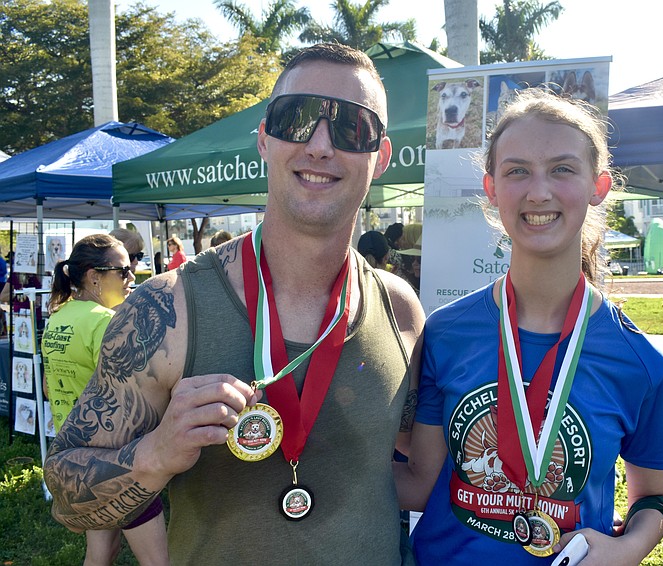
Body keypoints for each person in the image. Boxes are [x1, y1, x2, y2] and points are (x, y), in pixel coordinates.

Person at [44, 43, 424, 564]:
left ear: (379, 157)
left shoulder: (400, 310)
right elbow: (66, 497)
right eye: (297, 118)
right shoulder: (169, 309)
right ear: (265, 139)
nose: (318, 145)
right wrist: (154, 455)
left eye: (351, 127)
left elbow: (422, 472)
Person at [394, 89, 663, 564]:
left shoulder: (641, 364)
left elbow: (653, 499)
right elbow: (421, 481)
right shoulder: (445, 333)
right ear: (491, 188)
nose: (539, 191)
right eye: (517, 171)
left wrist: (627, 548)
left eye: (562, 169)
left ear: (599, 186)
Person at [41, 233, 169, 566]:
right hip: (118, 461)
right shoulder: (107, 322)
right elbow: (134, 396)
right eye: (122, 271)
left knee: (101, 553)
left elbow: (46, 387)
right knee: (160, 560)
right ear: (94, 277)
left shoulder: (58, 318)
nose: (132, 278)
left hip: (79, 461)